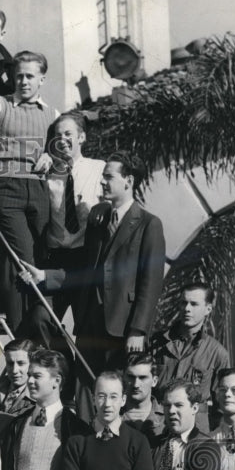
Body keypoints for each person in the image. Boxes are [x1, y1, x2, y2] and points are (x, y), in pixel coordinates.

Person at [20, 152, 166, 377]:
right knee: (86, 392)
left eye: (109, 177)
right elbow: (86, 270)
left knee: (117, 392)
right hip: (89, 323)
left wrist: (138, 330)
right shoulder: (98, 219)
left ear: (129, 181)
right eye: (102, 176)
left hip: (123, 327)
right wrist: (44, 276)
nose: (102, 181)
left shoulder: (149, 224)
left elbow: (151, 283)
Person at [0, 51, 59, 329]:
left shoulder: (52, 114)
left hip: (38, 189)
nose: (23, 81)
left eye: (30, 76)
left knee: (42, 258)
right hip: (4, 187)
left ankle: (42, 327)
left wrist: (51, 156)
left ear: (41, 79)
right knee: (20, 258)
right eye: (19, 75)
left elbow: (62, 154)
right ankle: (20, 332)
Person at [30, 113, 107, 349]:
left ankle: (79, 374)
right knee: (40, 318)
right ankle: (64, 365)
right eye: (57, 135)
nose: (62, 139)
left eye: (68, 134)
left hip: (87, 258)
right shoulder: (46, 173)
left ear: (81, 137)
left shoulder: (99, 169)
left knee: (86, 327)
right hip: (56, 259)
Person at [150, 282, 230, 433]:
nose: (187, 309)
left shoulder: (217, 353)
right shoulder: (156, 343)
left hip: (195, 430)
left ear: (208, 309)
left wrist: (206, 432)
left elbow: (222, 404)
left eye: (194, 304)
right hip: (158, 426)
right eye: (183, 303)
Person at [121, 352, 166, 445]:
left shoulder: (167, 418)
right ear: (123, 378)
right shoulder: (110, 416)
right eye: (131, 377)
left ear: (154, 381)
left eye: (142, 377)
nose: (136, 384)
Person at [0, 338, 37, 416]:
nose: (14, 370)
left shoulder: (39, 395)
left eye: (21, 363)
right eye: (10, 363)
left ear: (32, 364)